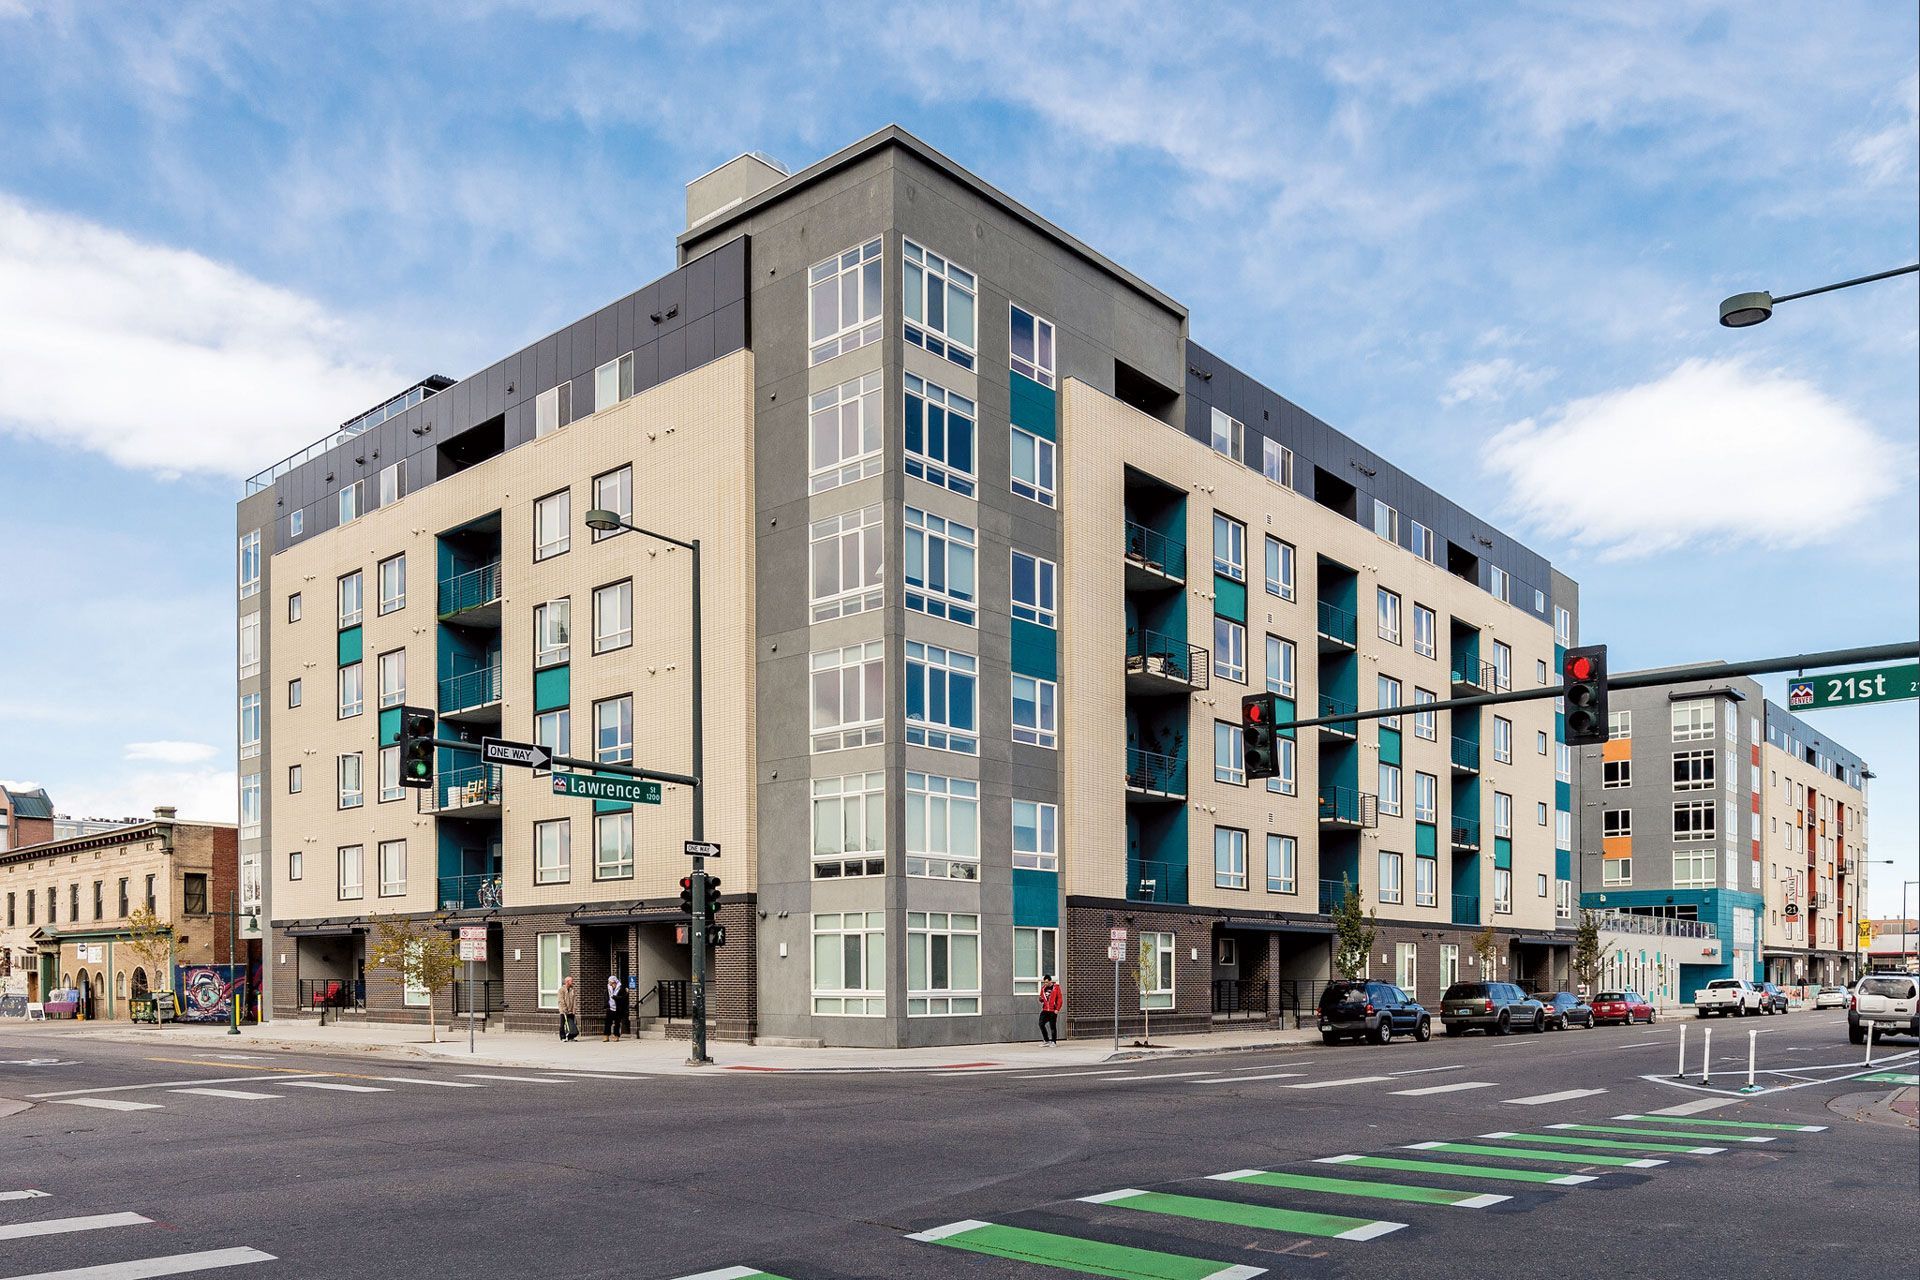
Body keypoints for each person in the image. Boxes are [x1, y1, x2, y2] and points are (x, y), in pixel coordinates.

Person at [1038, 974, 1063, 1044]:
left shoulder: (1056, 988)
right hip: (1045, 1010)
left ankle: (1053, 1041)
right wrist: (1040, 999)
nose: (1045, 984)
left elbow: (1060, 999)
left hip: (1053, 1010)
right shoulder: (1043, 988)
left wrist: (1057, 1009)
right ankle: (1046, 1040)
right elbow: (1042, 999)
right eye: (1044, 982)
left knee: (1052, 1026)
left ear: (1050, 981)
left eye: (1046, 982)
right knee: (1041, 1024)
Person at [603, 974, 627, 1042]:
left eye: (610, 982)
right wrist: (606, 1004)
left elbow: (623, 998)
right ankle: (606, 1036)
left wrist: (615, 997)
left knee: (617, 1023)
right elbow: (606, 996)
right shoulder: (608, 988)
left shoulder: (621, 988)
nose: (609, 983)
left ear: (614, 982)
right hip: (610, 1007)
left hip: (618, 1008)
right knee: (607, 1022)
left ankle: (616, 1036)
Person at [557, 976, 579, 1042]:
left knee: (571, 1024)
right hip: (564, 1010)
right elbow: (561, 1000)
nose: (573, 982)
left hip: (571, 1010)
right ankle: (562, 1037)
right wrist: (564, 1009)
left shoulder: (573, 990)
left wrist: (574, 1009)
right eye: (571, 981)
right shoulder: (561, 990)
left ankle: (571, 1037)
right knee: (562, 1024)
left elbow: (574, 1000)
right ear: (567, 982)